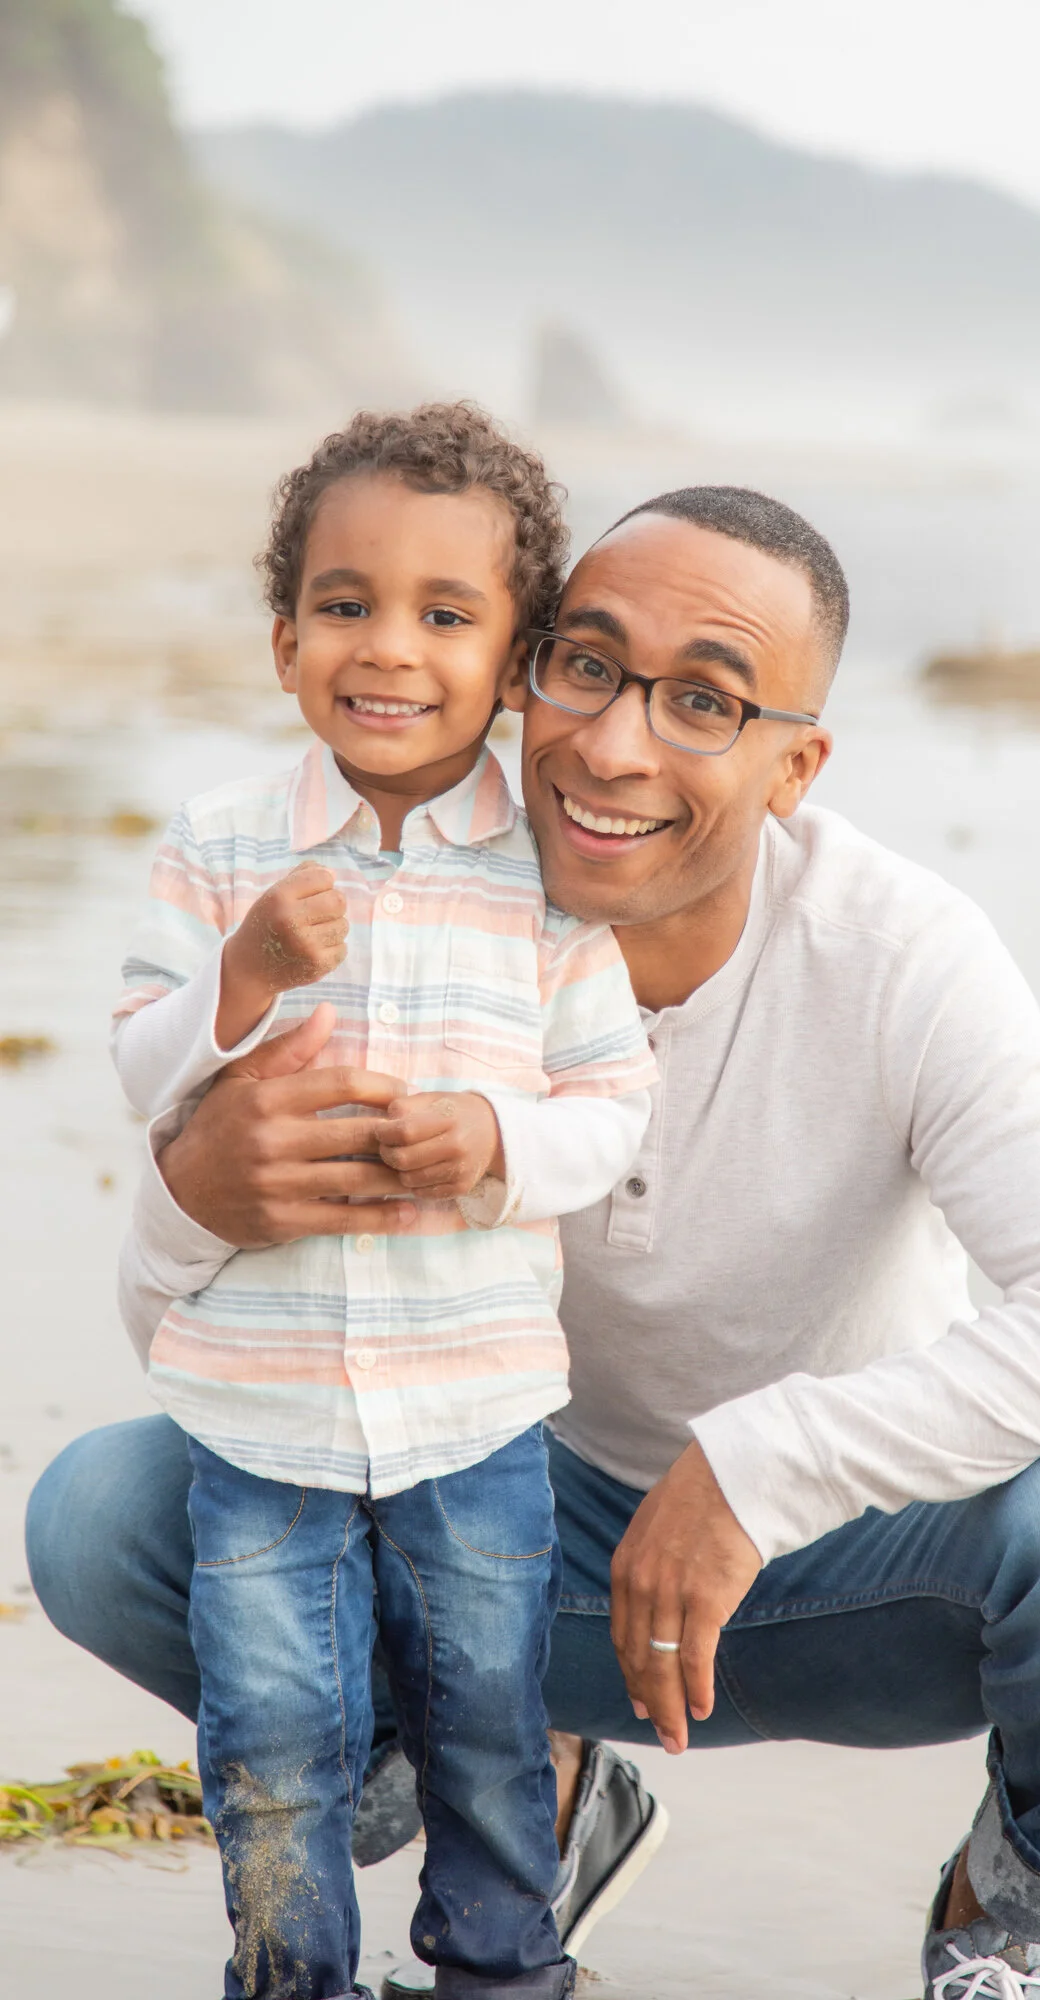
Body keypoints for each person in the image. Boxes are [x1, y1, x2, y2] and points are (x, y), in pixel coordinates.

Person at [28, 481, 1040, 2000]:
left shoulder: (902, 957)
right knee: (103, 1514)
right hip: (489, 1545)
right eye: (585, 667)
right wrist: (195, 1195)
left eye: (705, 701)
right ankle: (515, 1796)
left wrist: (759, 1465)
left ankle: (1002, 1918)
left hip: (850, 1567)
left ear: (795, 766)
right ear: (521, 674)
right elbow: (188, 1341)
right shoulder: (377, 919)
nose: (611, 746)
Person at [104, 402, 657, 2000]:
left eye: (445, 614)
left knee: (486, 1721)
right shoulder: (221, 848)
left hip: (475, 1414)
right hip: (257, 1414)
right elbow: (141, 1070)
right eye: (345, 605)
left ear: (518, 662)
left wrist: (491, 1139)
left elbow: (612, 1108)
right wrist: (244, 974)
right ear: (286, 641)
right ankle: (291, 1975)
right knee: (272, 1738)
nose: (389, 647)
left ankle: (502, 1966)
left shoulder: (549, 879)